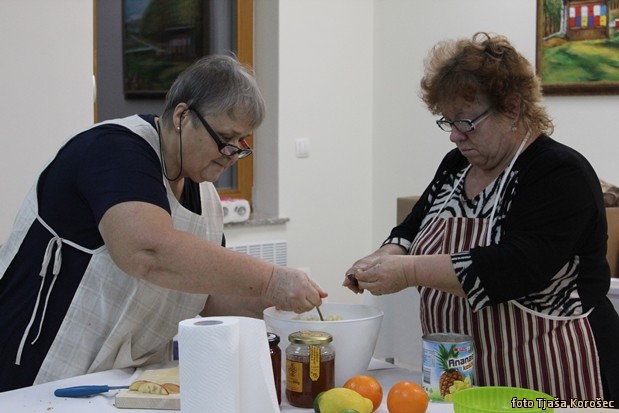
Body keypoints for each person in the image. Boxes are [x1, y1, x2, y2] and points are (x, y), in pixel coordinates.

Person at [0, 55, 327, 391]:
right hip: (35, 369)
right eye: (225, 137)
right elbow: (147, 250)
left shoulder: (206, 198)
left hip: (119, 383)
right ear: (183, 116)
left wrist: (279, 307)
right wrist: (270, 279)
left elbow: (210, 296)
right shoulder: (115, 149)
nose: (231, 154)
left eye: (241, 143)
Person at [344, 32, 619, 404]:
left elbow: (515, 267)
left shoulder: (558, 172)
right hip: (464, 377)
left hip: (551, 371)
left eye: (466, 122)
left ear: (513, 107)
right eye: (448, 122)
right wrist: (388, 253)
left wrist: (407, 272)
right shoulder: (458, 164)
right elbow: (413, 226)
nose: (455, 136)